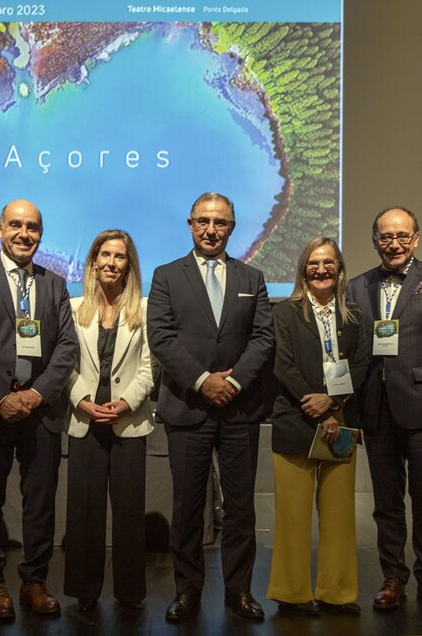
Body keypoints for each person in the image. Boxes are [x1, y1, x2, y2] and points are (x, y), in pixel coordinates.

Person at [147, 192, 274, 622]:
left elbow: (263, 337)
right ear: (190, 224)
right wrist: (204, 381)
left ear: (231, 227)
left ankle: (239, 592)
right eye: (203, 221)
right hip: (187, 406)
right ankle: (187, 592)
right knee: (187, 507)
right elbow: (161, 337)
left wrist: (233, 382)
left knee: (240, 508)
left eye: (220, 222)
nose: (211, 229)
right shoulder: (166, 276)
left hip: (240, 409)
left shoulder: (252, 277)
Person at [0, 199, 78, 620]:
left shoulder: (55, 283)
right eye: (16, 225)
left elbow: (67, 347)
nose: (25, 234)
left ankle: (34, 581)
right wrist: (1, 398)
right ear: (0, 229)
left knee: (40, 505)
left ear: (41, 233)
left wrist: (37, 394)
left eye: (33, 227)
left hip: (41, 413)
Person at [346, 206, 422, 614]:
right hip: (375, 410)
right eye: (386, 236)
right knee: (386, 503)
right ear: (375, 241)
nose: (394, 243)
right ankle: (393, 577)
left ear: (415, 239)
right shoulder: (357, 286)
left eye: (402, 236)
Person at [266, 237, 369, 616]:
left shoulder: (354, 315)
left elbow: (361, 363)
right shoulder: (285, 312)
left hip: (340, 422)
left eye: (328, 262)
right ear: (303, 269)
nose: (321, 269)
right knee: (292, 516)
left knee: (340, 514)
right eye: (313, 263)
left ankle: (337, 593)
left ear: (339, 268)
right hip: (296, 420)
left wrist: (334, 404)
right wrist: (319, 408)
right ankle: (291, 594)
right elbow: (283, 365)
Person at [64, 230, 154, 614]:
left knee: (129, 512)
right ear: (93, 262)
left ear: (128, 266)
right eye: (105, 255)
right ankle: (85, 591)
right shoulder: (72, 309)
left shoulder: (145, 310)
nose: (111, 263)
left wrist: (127, 402)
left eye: (119, 256)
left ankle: (129, 592)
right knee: (84, 510)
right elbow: (63, 364)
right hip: (85, 418)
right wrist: (82, 401)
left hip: (127, 419)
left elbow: (149, 368)